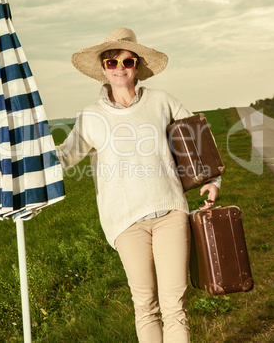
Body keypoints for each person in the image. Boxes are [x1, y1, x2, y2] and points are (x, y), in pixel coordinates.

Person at [55, 27, 221, 342]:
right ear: (103, 68)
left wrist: (212, 179)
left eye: (127, 61)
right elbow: (64, 156)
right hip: (125, 223)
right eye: (112, 62)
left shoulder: (162, 100)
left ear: (137, 66)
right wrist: (20, 158)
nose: (120, 68)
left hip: (169, 214)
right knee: (145, 306)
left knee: (175, 306)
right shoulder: (91, 117)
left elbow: (199, 138)